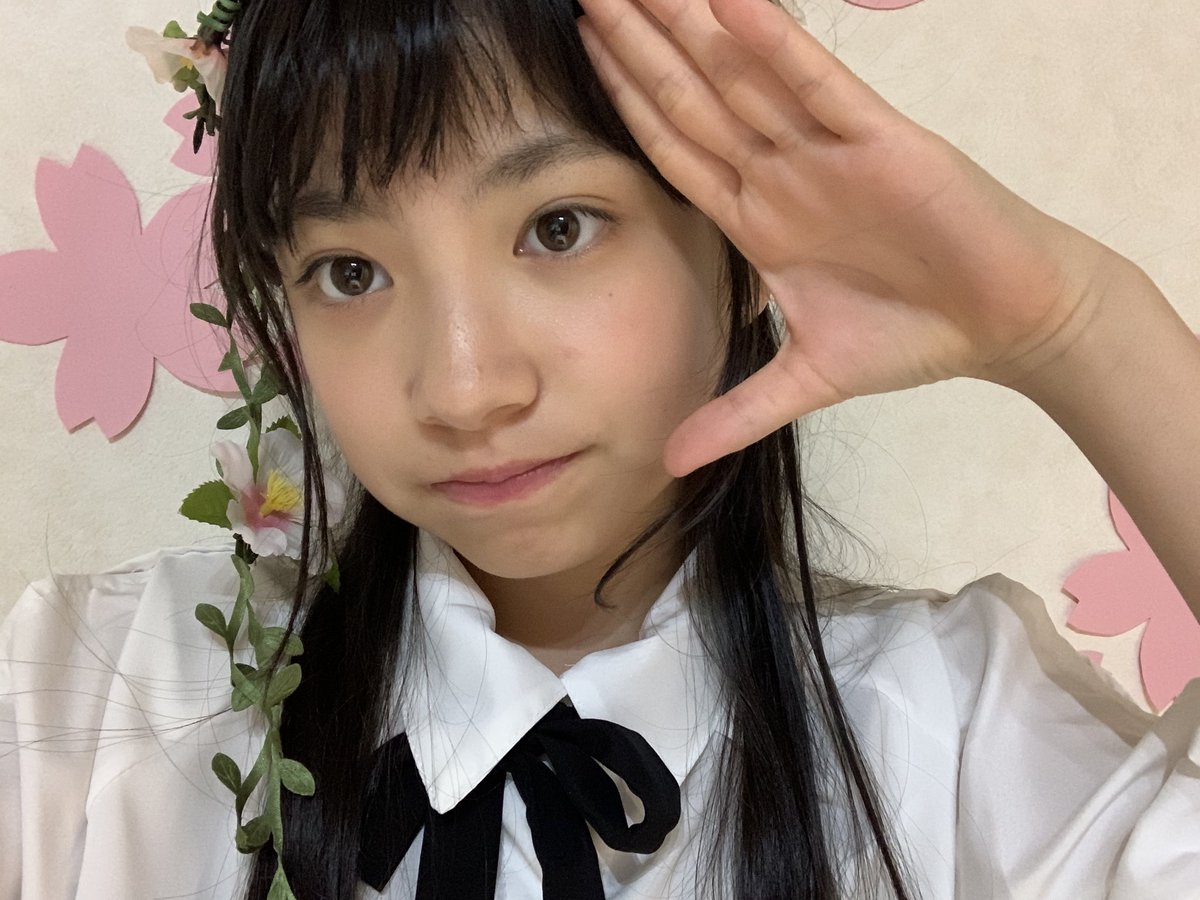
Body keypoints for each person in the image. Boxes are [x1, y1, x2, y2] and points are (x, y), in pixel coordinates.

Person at [2, 0, 1198, 897]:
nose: (462, 388)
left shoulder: (954, 732)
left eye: (559, 226)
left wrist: (1076, 325)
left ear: (746, 248)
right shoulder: (105, 688)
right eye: (350, 271)